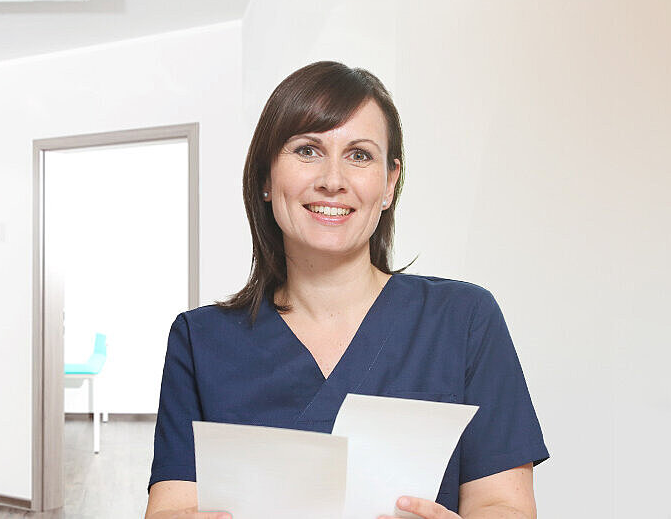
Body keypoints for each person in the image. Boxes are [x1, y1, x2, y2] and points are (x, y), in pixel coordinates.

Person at [144, 61, 549, 519]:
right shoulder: (201, 341)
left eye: (359, 155)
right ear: (265, 178)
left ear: (389, 183)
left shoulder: (463, 320)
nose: (332, 180)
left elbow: (504, 504)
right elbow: (170, 509)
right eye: (307, 150)